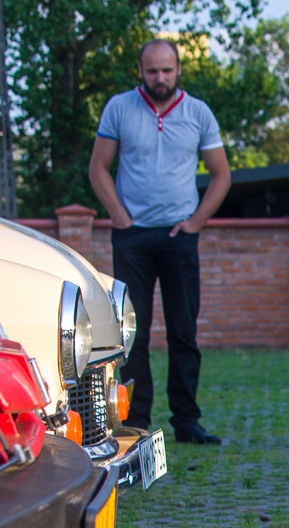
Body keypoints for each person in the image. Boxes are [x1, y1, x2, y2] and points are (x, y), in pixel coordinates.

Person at [89, 38, 231, 445]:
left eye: (167, 70)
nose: (160, 78)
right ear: (140, 70)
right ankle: (135, 419)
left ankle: (186, 420)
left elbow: (221, 175)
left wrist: (196, 223)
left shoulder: (198, 112)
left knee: (183, 332)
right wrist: (119, 217)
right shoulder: (119, 107)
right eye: (152, 70)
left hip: (178, 237)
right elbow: (98, 168)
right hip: (132, 238)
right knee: (132, 334)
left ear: (179, 69)